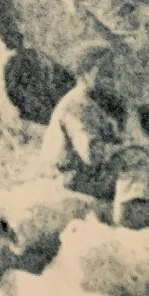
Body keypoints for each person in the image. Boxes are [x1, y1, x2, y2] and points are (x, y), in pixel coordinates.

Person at [41, 46, 127, 204]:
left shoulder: (93, 102)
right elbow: (91, 153)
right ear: (84, 72)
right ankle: (128, 221)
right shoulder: (76, 105)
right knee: (138, 173)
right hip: (73, 177)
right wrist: (127, 150)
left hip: (87, 173)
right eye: (104, 73)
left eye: (112, 73)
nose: (110, 79)